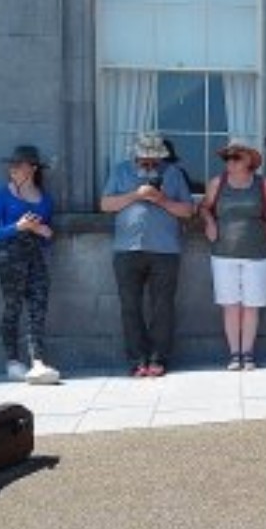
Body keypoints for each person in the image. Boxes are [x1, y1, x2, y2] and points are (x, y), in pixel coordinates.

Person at [100, 132, 194, 377]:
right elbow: (105, 205)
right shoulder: (120, 171)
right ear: (136, 155)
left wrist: (161, 200)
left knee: (163, 307)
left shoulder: (173, 173)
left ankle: (158, 359)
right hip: (126, 249)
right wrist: (136, 195)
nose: (150, 163)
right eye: (145, 159)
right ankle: (137, 360)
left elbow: (187, 210)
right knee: (130, 306)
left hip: (165, 249)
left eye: (154, 160)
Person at [199, 139, 266, 371]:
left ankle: (248, 353)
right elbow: (204, 207)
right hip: (223, 252)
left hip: (256, 252)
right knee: (230, 305)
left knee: (251, 305)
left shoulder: (262, 184)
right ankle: (234, 354)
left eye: (236, 157)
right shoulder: (218, 183)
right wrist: (209, 221)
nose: (230, 162)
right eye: (227, 158)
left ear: (249, 161)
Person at [0, 145, 60, 384]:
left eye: (19, 165)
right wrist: (18, 226)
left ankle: (37, 361)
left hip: (35, 257)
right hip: (9, 257)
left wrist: (43, 231)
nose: (13, 169)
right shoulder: (2, 195)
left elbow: (49, 236)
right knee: (13, 307)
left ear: (33, 168)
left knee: (38, 307)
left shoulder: (44, 199)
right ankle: (13, 361)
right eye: (12, 165)